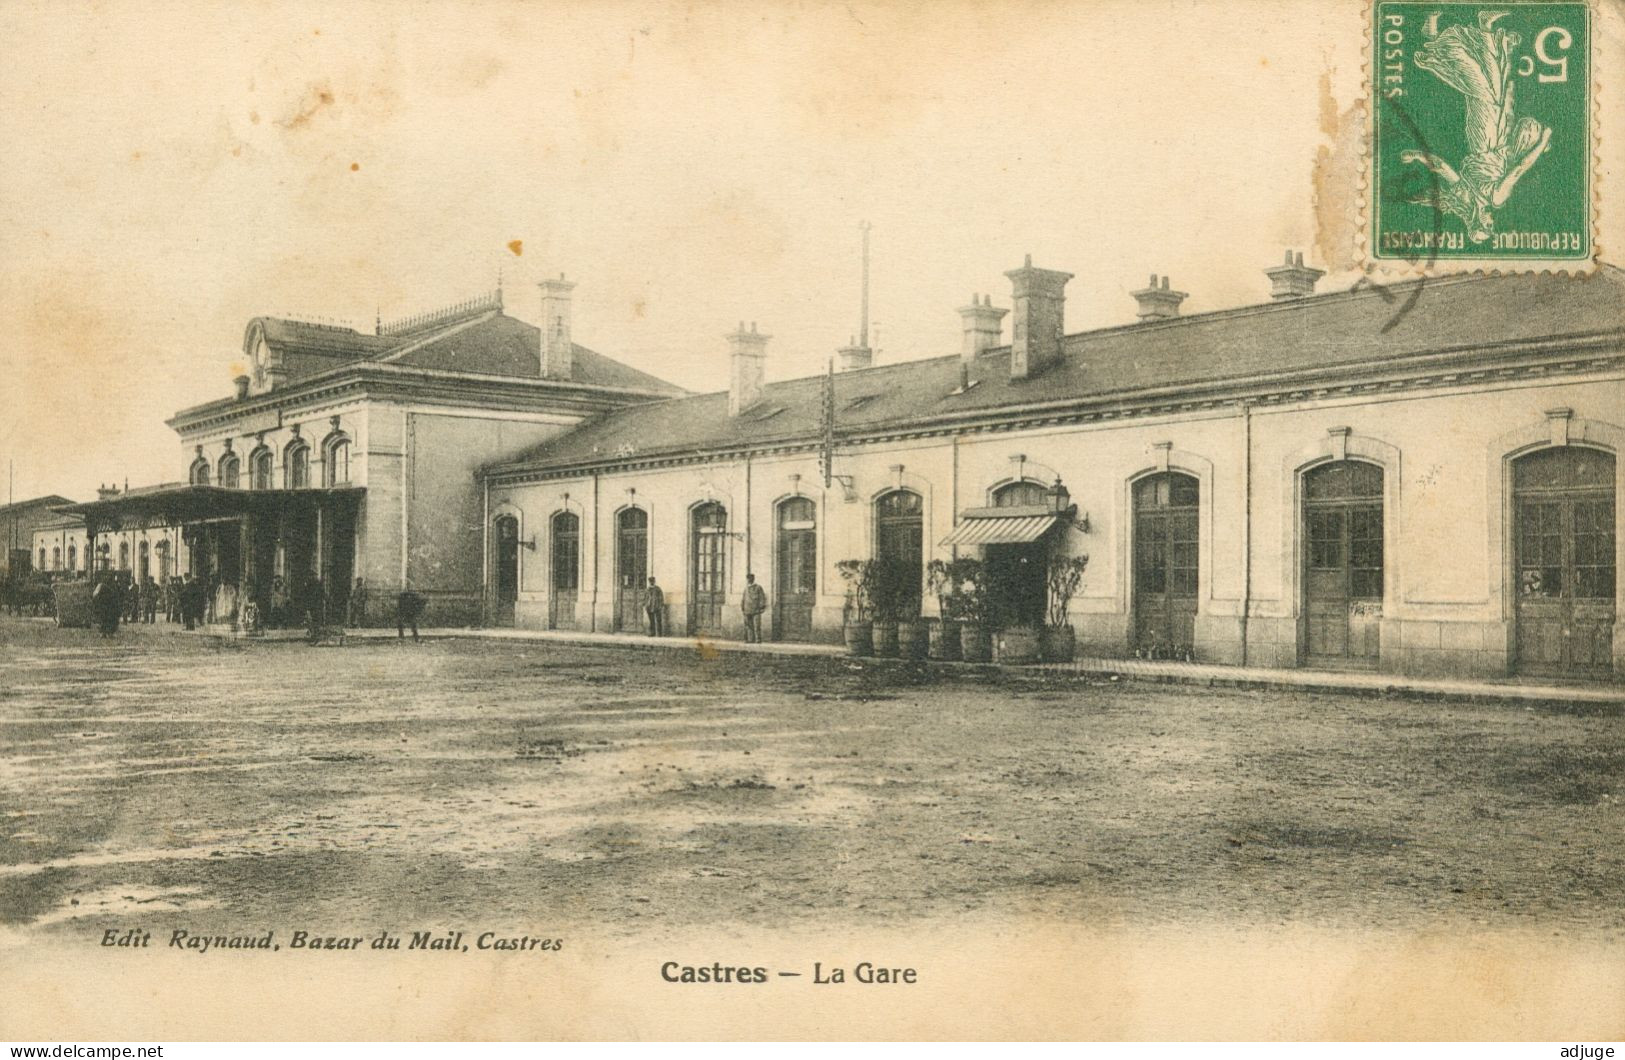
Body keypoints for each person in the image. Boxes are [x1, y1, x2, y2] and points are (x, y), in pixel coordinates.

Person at [740, 572, 767, 643]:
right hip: (747, 610)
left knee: (757, 626)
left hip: (756, 610)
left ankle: (758, 639)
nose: (749, 580)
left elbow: (762, 598)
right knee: (749, 626)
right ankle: (750, 639)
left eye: (750, 578)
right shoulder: (746, 588)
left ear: (753, 579)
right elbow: (743, 599)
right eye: (748, 579)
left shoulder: (758, 588)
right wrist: (742, 607)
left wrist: (762, 607)